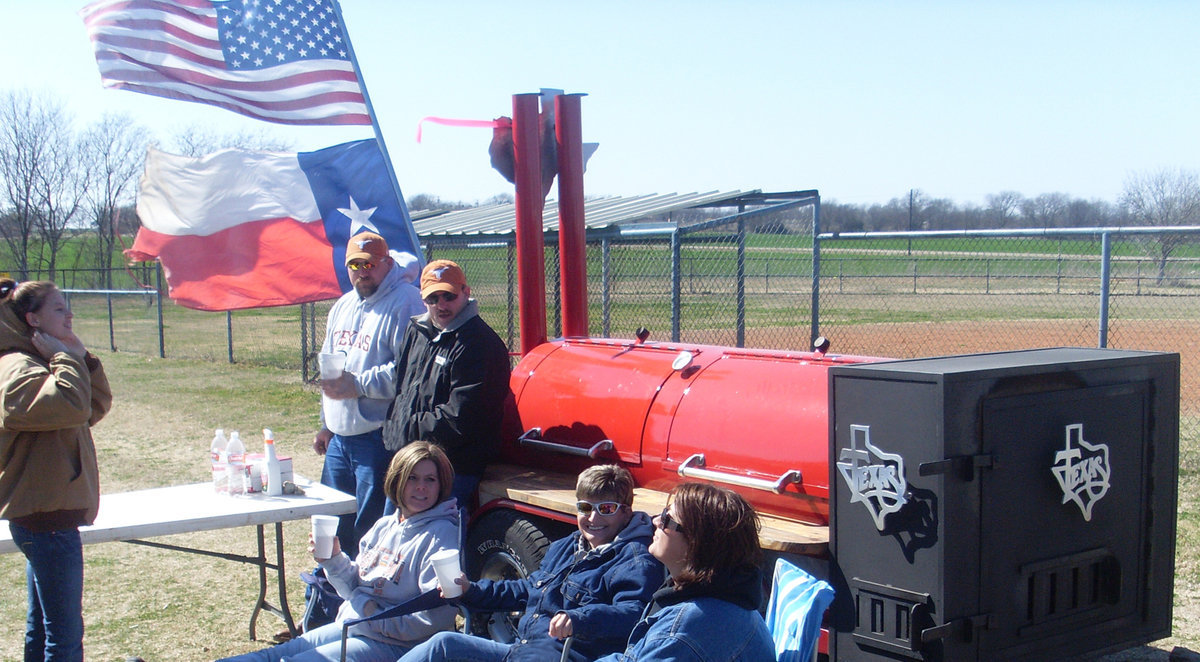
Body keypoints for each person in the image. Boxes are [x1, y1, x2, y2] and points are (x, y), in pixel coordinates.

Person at [219, 442, 460, 662]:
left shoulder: (441, 535)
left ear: (441, 486)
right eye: (412, 478)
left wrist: (369, 613)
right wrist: (333, 559)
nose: (421, 487)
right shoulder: (385, 526)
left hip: (401, 646)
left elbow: (435, 618)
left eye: (430, 479)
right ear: (397, 480)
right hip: (355, 625)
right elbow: (353, 587)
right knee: (271, 655)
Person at [397, 464, 665, 662]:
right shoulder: (568, 545)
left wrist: (578, 618)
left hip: (559, 657)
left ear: (626, 512)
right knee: (442, 646)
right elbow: (527, 589)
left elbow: (635, 614)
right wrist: (470, 590)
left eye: (605, 509)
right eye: (585, 508)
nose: (593, 518)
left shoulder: (635, 558)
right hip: (520, 650)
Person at [0, 279, 112, 662]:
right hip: (43, 516)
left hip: (49, 512)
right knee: (64, 637)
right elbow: (71, 406)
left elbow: (93, 407)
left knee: (46, 628)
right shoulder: (17, 366)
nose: (70, 315)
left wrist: (81, 357)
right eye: (59, 309)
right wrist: (67, 359)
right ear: (33, 318)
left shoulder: (40, 358)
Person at [314, 231, 424, 557]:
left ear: (387, 263)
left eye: (370, 264)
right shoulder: (343, 304)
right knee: (331, 527)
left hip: (377, 438)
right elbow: (329, 368)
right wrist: (325, 424)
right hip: (339, 438)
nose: (363, 271)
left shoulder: (408, 301)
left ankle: (366, 599)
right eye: (355, 264)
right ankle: (331, 598)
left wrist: (358, 384)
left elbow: (410, 371)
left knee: (369, 529)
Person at [595, 482, 775, 662]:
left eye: (667, 518)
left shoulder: (683, 632)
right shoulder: (726, 594)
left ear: (697, 542)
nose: (656, 520)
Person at [385, 259, 510, 507]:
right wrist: (394, 430)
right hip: (409, 459)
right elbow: (401, 391)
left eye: (448, 296)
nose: (441, 305)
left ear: (466, 293)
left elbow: (462, 418)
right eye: (433, 298)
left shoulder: (479, 343)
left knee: (437, 536)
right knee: (395, 536)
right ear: (423, 299)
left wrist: (405, 429)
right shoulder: (417, 331)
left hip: (451, 470)